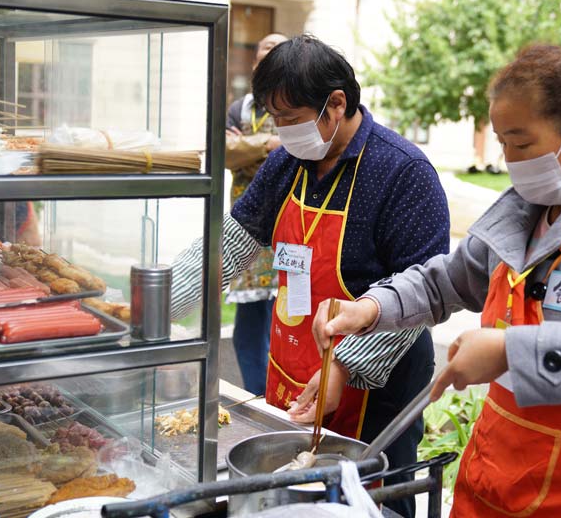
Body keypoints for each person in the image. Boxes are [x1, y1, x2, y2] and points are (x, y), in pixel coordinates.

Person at [313, 40, 561, 517]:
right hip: (505, 477)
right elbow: (446, 280)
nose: (509, 160)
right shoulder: (526, 210)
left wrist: (511, 351)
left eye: (521, 143)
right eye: (502, 143)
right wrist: (371, 308)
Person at [171, 34, 449, 517]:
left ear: (336, 103)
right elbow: (232, 243)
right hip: (294, 361)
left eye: (291, 119)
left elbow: (422, 290)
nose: (280, 131)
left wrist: (343, 366)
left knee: (371, 502)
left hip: (376, 387)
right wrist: (155, 311)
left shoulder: (403, 172)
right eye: (273, 119)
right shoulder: (287, 162)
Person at [224, 32, 287, 395]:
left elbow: (296, 154)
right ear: (255, 64)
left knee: (288, 323)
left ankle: (282, 400)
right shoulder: (240, 107)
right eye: (266, 51)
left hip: (290, 226)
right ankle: (257, 399)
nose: (273, 57)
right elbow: (226, 152)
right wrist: (269, 143)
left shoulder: (299, 105)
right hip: (248, 230)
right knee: (250, 328)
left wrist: (248, 146)